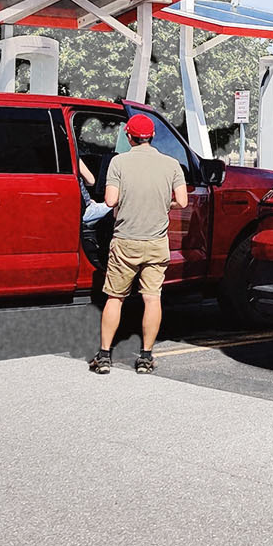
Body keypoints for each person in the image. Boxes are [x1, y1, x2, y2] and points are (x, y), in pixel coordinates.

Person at [88, 113, 187, 375]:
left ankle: (105, 355)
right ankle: (145, 358)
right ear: (152, 136)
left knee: (115, 298)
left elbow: (110, 201)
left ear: (129, 136)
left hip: (125, 241)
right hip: (156, 243)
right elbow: (183, 201)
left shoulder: (119, 163)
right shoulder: (171, 164)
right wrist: (165, 203)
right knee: (152, 298)